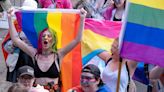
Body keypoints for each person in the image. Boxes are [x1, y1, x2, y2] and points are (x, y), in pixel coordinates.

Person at [8, 8, 87, 91]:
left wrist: (82, 18)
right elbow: (16, 39)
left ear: (53, 41)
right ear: (40, 40)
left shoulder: (59, 54)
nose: (46, 38)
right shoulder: (34, 54)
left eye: (49, 36)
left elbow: (77, 39)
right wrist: (10, 18)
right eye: (43, 36)